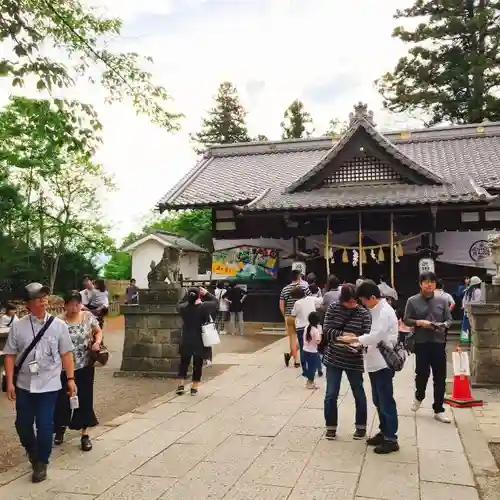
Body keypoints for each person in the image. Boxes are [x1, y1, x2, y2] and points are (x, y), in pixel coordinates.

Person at [3, 283, 76, 483]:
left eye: (44, 296)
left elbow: (67, 354)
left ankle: (41, 463)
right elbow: (9, 355)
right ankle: (32, 451)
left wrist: (70, 379)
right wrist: (9, 382)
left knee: (45, 425)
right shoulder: (18, 326)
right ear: (28, 304)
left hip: (49, 385)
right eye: (38, 298)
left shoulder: (58, 326)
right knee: (22, 424)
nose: (43, 300)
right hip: (24, 384)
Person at [343, 280, 400, 454]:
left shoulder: (384, 312)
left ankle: (391, 438)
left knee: (385, 400)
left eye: (364, 300)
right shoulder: (376, 310)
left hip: (383, 363)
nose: (363, 304)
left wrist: (355, 340)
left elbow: (376, 336)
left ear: (373, 297)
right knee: (378, 399)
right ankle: (384, 432)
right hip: (375, 361)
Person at [53, 291, 102, 451]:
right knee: (62, 400)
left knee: (85, 399)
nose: (74, 307)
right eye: (71, 304)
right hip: (64, 368)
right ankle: (60, 428)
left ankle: (85, 434)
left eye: (77, 304)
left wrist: (97, 342)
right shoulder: (59, 321)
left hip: (85, 365)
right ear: (65, 305)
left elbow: (98, 331)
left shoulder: (87, 317)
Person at [322, 284, 371, 440]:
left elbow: (367, 335)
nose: (352, 304)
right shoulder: (333, 309)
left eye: (354, 301)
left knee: (359, 393)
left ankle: (361, 426)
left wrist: (357, 341)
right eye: (349, 301)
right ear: (342, 300)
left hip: (354, 358)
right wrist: (344, 334)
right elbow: (327, 331)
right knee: (331, 394)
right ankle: (330, 427)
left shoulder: (363, 313)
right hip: (334, 357)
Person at [404, 271, 453, 423]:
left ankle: (438, 408)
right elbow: (406, 320)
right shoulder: (412, 301)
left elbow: (449, 320)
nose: (429, 284)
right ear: (420, 284)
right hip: (421, 342)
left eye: (432, 282)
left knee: (440, 376)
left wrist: (443, 325)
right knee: (422, 373)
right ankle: (419, 396)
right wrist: (419, 323)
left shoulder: (442, 301)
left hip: (438, 342)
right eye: (426, 282)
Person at [176, 286, 218, 396]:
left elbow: (179, 303)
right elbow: (215, 302)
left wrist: (187, 294)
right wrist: (207, 293)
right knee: (197, 364)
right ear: (199, 296)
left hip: (186, 339)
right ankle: (194, 387)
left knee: (183, 363)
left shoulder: (183, 308)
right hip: (199, 339)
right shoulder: (204, 307)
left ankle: (180, 385)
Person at [280, 270, 311, 368]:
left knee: (292, 339)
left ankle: (296, 361)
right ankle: (305, 359)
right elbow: (309, 300)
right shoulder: (304, 288)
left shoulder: (285, 289)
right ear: (299, 277)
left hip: (289, 316)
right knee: (304, 338)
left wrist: (285, 315)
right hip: (302, 316)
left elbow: (281, 305)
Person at [290, 287, 323, 378]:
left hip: (301, 328)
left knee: (303, 348)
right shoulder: (311, 299)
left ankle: (305, 370)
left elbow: (294, 314)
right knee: (315, 348)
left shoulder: (297, 303)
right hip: (312, 326)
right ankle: (319, 368)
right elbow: (321, 300)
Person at [303, 311, 323, 389]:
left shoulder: (306, 327)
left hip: (305, 350)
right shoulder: (316, 330)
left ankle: (311, 381)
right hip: (313, 351)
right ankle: (309, 382)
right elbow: (318, 341)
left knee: (310, 367)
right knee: (312, 368)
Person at [461, 275, 482, 342]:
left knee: (466, 327)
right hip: (474, 312)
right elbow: (478, 301)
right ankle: (473, 341)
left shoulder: (467, 291)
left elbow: (464, 301)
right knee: (473, 327)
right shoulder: (478, 291)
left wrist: (464, 307)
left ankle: (465, 340)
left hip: (466, 311)